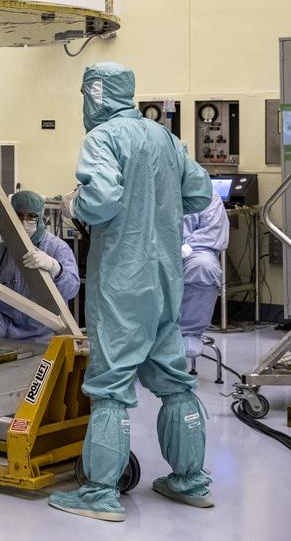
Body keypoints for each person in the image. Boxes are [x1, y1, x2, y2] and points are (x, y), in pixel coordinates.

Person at [49, 62, 215, 522]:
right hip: (165, 278)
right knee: (174, 380)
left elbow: (99, 202)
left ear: (94, 94)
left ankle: (99, 492)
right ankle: (190, 481)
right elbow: (200, 194)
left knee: (111, 385)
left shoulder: (104, 138)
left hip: (124, 281)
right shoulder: (163, 136)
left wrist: (73, 202)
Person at [0, 189, 80, 342]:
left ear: (41, 218)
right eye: (19, 216)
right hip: (6, 322)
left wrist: (54, 267)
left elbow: (72, 289)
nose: (24, 222)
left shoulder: (57, 248)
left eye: (31, 217)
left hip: (44, 328)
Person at [180, 194, 229, 364]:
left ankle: (188, 332)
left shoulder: (205, 192)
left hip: (192, 250)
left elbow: (213, 232)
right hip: (148, 249)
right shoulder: (144, 185)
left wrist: (183, 248)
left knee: (204, 267)